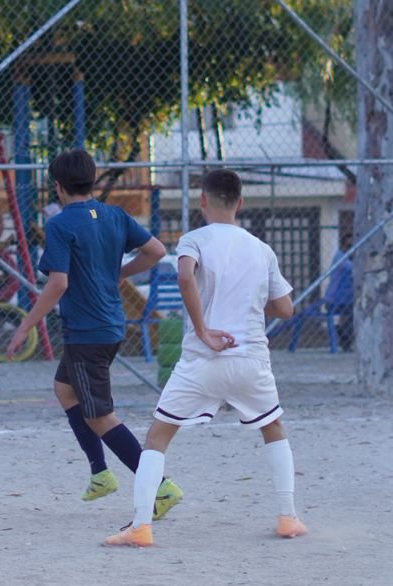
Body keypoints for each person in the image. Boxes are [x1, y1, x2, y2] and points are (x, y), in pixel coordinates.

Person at [104, 168, 307, 547]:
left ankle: (141, 526)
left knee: (158, 436)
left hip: (202, 361)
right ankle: (288, 517)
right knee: (273, 428)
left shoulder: (194, 239)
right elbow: (285, 308)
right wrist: (248, 298)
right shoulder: (261, 249)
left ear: (202, 200)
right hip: (250, 359)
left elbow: (185, 277)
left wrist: (202, 330)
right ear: (240, 202)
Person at [4, 147, 183, 517]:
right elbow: (156, 250)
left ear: (58, 186)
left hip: (87, 331)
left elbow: (58, 283)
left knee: (100, 415)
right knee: (65, 389)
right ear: (93, 180)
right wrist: (122, 272)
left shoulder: (60, 224)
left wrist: (25, 325)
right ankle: (100, 473)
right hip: (109, 324)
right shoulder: (114, 214)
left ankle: (160, 487)